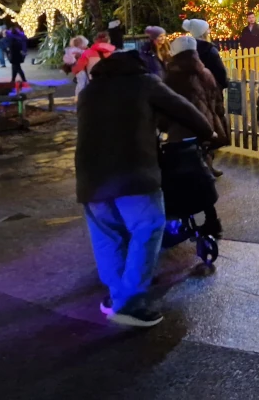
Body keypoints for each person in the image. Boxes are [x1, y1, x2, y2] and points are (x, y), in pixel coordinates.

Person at [76, 49, 214, 328]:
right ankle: (131, 303)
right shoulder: (144, 83)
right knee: (148, 228)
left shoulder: (90, 91)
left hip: (91, 178)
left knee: (108, 236)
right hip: (133, 174)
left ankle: (117, 296)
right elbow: (186, 112)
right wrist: (206, 132)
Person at [161, 35, 230, 235]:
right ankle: (211, 218)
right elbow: (217, 102)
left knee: (182, 176)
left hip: (181, 132)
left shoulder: (171, 77)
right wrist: (217, 124)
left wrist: (162, 127)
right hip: (206, 129)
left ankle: (184, 218)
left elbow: (165, 107)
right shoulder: (206, 73)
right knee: (202, 174)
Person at [183, 19, 228, 90]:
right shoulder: (210, 49)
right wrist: (224, 84)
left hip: (193, 89)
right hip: (211, 88)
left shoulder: (187, 49)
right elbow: (220, 72)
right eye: (207, 30)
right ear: (203, 33)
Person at [63, 35, 91, 101]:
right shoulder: (78, 51)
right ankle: (79, 97)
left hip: (79, 69)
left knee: (82, 83)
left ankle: (81, 97)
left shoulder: (71, 50)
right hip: (81, 69)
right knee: (82, 83)